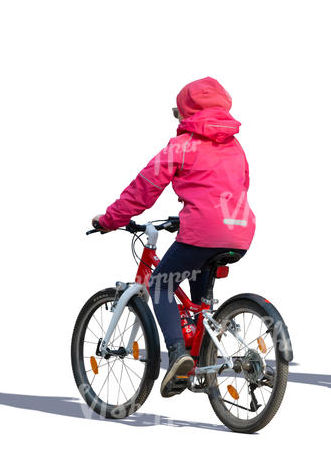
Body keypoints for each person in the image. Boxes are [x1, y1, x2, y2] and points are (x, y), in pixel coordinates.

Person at [92, 77, 255, 397]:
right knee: (200, 304)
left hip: (202, 234)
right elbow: (234, 188)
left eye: (178, 113)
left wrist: (111, 220)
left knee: (161, 283)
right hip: (239, 234)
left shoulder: (181, 146)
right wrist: (187, 216)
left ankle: (178, 354)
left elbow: (144, 188)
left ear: (187, 114)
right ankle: (202, 359)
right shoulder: (236, 147)